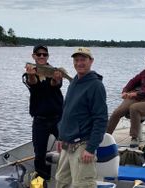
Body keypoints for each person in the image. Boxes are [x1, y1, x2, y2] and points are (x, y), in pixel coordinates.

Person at [55, 47, 108, 188]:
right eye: (76, 60)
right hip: (67, 144)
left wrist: (91, 148)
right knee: (61, 181)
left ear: (91, 61)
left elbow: (101, 119)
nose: (79, 63)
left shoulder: (96, 85)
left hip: (82, 144)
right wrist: (61, 137)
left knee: (83, 185)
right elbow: (66, 111)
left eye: (83, 59)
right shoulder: (74, 82)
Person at [106, 52, 145, 148]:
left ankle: (134, 137)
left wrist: (136, 93)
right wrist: (125, 91)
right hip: (138, 98)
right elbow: (133, 81)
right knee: (118, 112)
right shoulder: (144, 73)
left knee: (134, 108)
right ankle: (105, 136)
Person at [22, 44, 63, 180]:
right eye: (38, 54)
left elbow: (54, 84)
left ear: (47, 56)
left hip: (58, 118)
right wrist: (32, 75)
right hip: (39, 120)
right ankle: (42, 180)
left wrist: (57, 79)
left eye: (44, 54)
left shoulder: (54, 71)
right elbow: (32, 83)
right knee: (39, 154)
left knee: (67, 148)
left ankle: (66, 178)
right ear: (33, 56)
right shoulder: (28, 74)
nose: (41, 56)